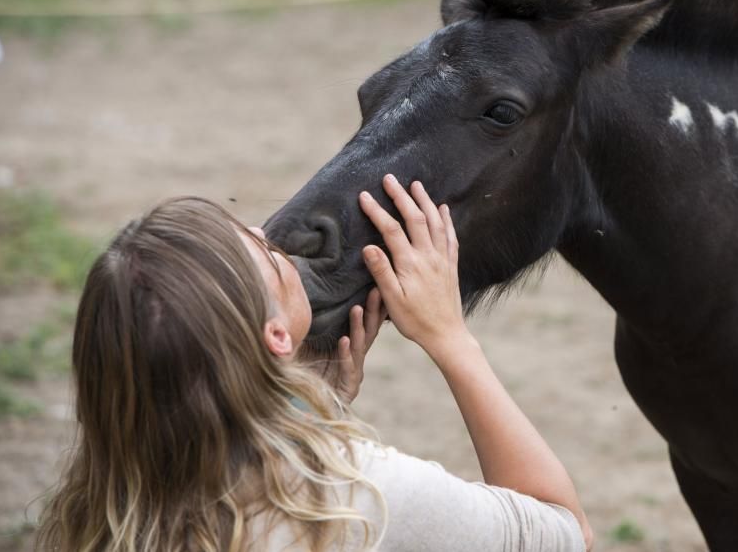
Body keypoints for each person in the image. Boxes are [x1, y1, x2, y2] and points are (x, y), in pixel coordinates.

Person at [35, 175, 594, 551]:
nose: (266, 232)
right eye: (268, 255)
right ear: (277, 336)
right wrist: (449, 336)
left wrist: (311, 407)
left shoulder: (100, 509)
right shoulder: (357, 496)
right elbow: (566, 533)